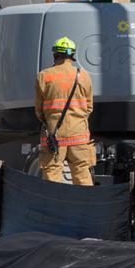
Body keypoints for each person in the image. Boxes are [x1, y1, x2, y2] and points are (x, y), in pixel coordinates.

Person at [35, 36, 95, 186]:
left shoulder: (44, 76)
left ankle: (55, 207)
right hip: (79, 134)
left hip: (54, 135)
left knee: (52, 172)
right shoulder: (83, 75)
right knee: (82, 172)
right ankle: (87, 207)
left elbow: (39, 110)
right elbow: (89, 107)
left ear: (55, 54)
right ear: (72, 55)